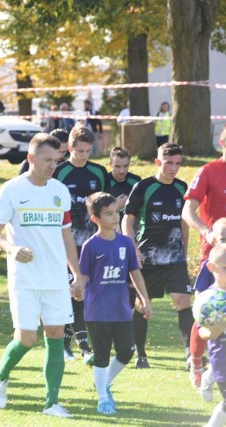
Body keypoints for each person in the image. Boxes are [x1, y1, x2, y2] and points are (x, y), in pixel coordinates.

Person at [0, 133, 85, 417]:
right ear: (30, 158)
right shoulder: (11, 190)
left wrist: (77, 273)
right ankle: (2, 375)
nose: (52, 165)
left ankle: (51, 403)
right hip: (25, 278)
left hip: (55, 279)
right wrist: (11, 247)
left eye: (56, 160)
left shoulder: (59, 191)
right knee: (26, 338)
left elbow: (67, 235)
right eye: (46, 160)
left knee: (55, 335)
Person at [79, 192, 152, 414]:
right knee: (101, 355)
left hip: (121, 309)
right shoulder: (90, 246)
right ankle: (102, 399)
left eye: (116, 212)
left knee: (126, 352)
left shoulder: (126, 243)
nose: (114, 217)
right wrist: (76, 287)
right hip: (97, 311)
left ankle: (103, 382)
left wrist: (144, 299)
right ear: (96, 219)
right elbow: (82, 277)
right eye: (108, 214)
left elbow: (135, 273)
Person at [122, 142, 192, 369]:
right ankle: (141, 354)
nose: (173, 168)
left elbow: (184, 221)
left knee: (182, 301)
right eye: (169, 163)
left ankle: (191, 355)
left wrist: (184, 249)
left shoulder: (182, 187)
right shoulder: (144, 187)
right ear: (158, 162)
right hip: (148, 258)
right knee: (143, 305)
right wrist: (133, 249)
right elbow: (127, 220)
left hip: (174, 258)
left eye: (178, 164)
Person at [53, 125, 106, 363]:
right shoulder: (59, 172)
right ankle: (76, 345)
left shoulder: (99, 173)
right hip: (65, 244)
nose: (85, 155)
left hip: (92, 244)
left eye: (88, 151)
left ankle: (78, 343)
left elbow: (106, 206)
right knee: (71, 291)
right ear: (70, 148)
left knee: (87, 292)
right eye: (80, 151)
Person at [182, 126, 226, 387]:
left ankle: (216, 369)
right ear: (222, 142)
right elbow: (188, 210)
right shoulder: (209, 171)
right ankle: (196, 362)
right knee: (205, 311)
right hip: (215, 257)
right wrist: (206, 232)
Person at [195, 244, 226, 427]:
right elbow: (202, 332)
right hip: (222, 359)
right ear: (211, 268)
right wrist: (215, 328)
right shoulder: (209, 300)